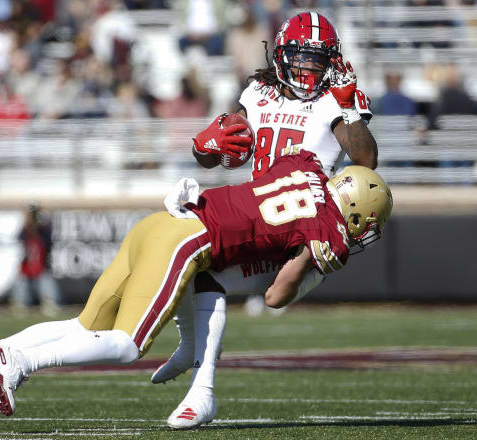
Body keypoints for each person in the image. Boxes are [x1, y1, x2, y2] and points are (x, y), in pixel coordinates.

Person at [0, 152, 393, 422]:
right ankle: (20, 361)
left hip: (161, 221)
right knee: (129, 346)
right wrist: (316, 264)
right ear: (354, 211)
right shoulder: (329, 230)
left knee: (81, 328)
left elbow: (257, 179)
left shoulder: (307, 165)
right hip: (188, 240)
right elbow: (275, 295)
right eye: (368, 222)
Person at [153, 11, 379, 428]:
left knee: (237, 281)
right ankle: (194, 357)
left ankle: (202, 382)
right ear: (281, 54)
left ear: (331, 61)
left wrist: (348, 108)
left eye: (317, 59)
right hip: (257, 210)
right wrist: (204, 145)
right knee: (191, 258)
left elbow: (366, 162)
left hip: (303, 221)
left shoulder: (336, 98)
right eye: (302, 57)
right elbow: (217, 153)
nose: (309, 67)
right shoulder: (258, 92)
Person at [10, 203, 62, 317]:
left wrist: (41, 216)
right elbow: (20, 237)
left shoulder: (44, 230)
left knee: (46, 281)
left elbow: (49, 237)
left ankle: (50, 304)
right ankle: (20, 304)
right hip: (27, 265)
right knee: (21, 283)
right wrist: (27, 218)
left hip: (42, 264)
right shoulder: (25, 230)